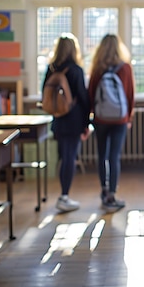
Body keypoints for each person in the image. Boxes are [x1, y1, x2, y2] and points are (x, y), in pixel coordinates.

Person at [42, 33, 91, 212]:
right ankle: (64, 196)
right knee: (71, 156)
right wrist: (87, 122)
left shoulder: (51, 69)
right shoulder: (76, 70)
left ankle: (64, 195)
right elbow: (84, 97)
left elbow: (45, 94)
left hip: (58, 119)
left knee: (64, 156)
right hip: (74, 119)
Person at [87, 34, 135, 212]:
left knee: (102, 156)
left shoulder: (97, 68)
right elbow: (130, 95)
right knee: (114, 157)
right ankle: (112, 196)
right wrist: (128, 117)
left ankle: (104, 190)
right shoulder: (126, 68)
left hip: (100, 118)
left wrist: (90, 117)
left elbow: (90, 95)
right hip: (120, 119)